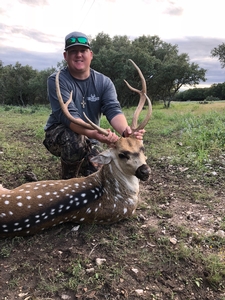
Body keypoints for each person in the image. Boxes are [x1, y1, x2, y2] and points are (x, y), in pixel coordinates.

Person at [43, 31, 145, 179]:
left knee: (96, 173)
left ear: (91, 54)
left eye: (83, 51)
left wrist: (126, 132)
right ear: (65, 56)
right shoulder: (56, 80)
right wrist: (93, 133)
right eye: (73, 51)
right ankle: (67, 181)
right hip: (59, 134)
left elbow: (112, 109)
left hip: (92, 138)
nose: (79, 55)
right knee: (75, 140)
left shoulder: (104, 82)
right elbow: (68, 117)